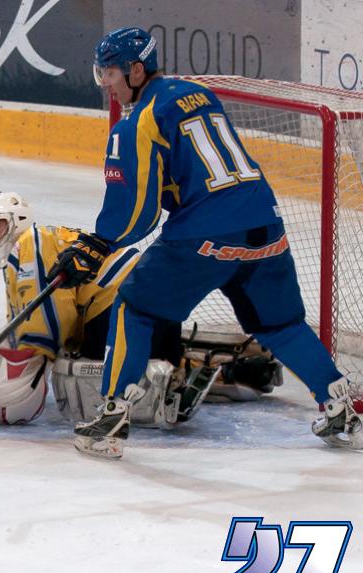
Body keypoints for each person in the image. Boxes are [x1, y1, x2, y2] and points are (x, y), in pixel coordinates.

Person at [48, 26, 363, 458]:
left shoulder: (136, 123)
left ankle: (111, 418)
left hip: (205, 235)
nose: (106, 84)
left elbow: (138, 213)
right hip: (264, 224)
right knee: (280, 325)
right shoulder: (197, 93)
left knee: (134, 308)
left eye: (111, 73)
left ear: (136, 71)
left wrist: (97, 244)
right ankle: (340, 407)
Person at [0, 191, 201, 427]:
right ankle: (174, 371)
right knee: (49, 341)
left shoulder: (29, 245)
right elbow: (27, 321)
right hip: (159, 311)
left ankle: (157, 382)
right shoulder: (43, 240)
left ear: (18, 220)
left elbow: (44, 332)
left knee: (69, 362)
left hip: (129, 313)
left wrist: (10, 404)